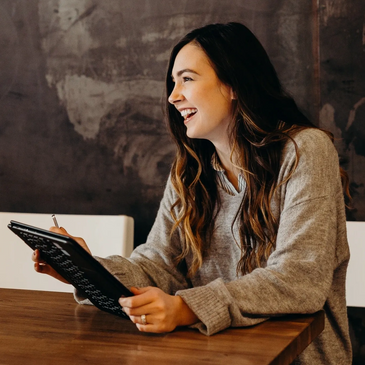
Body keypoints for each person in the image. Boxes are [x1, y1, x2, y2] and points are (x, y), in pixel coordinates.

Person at [32, 22, 352, 364]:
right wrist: (88, 269)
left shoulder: (306, 151)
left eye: (187, 78)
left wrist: (187, 308)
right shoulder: (190, 171)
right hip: (211, 354)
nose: (173, 96)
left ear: (233, 84)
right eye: (173, 83)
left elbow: (299, 279)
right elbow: (158, 265)